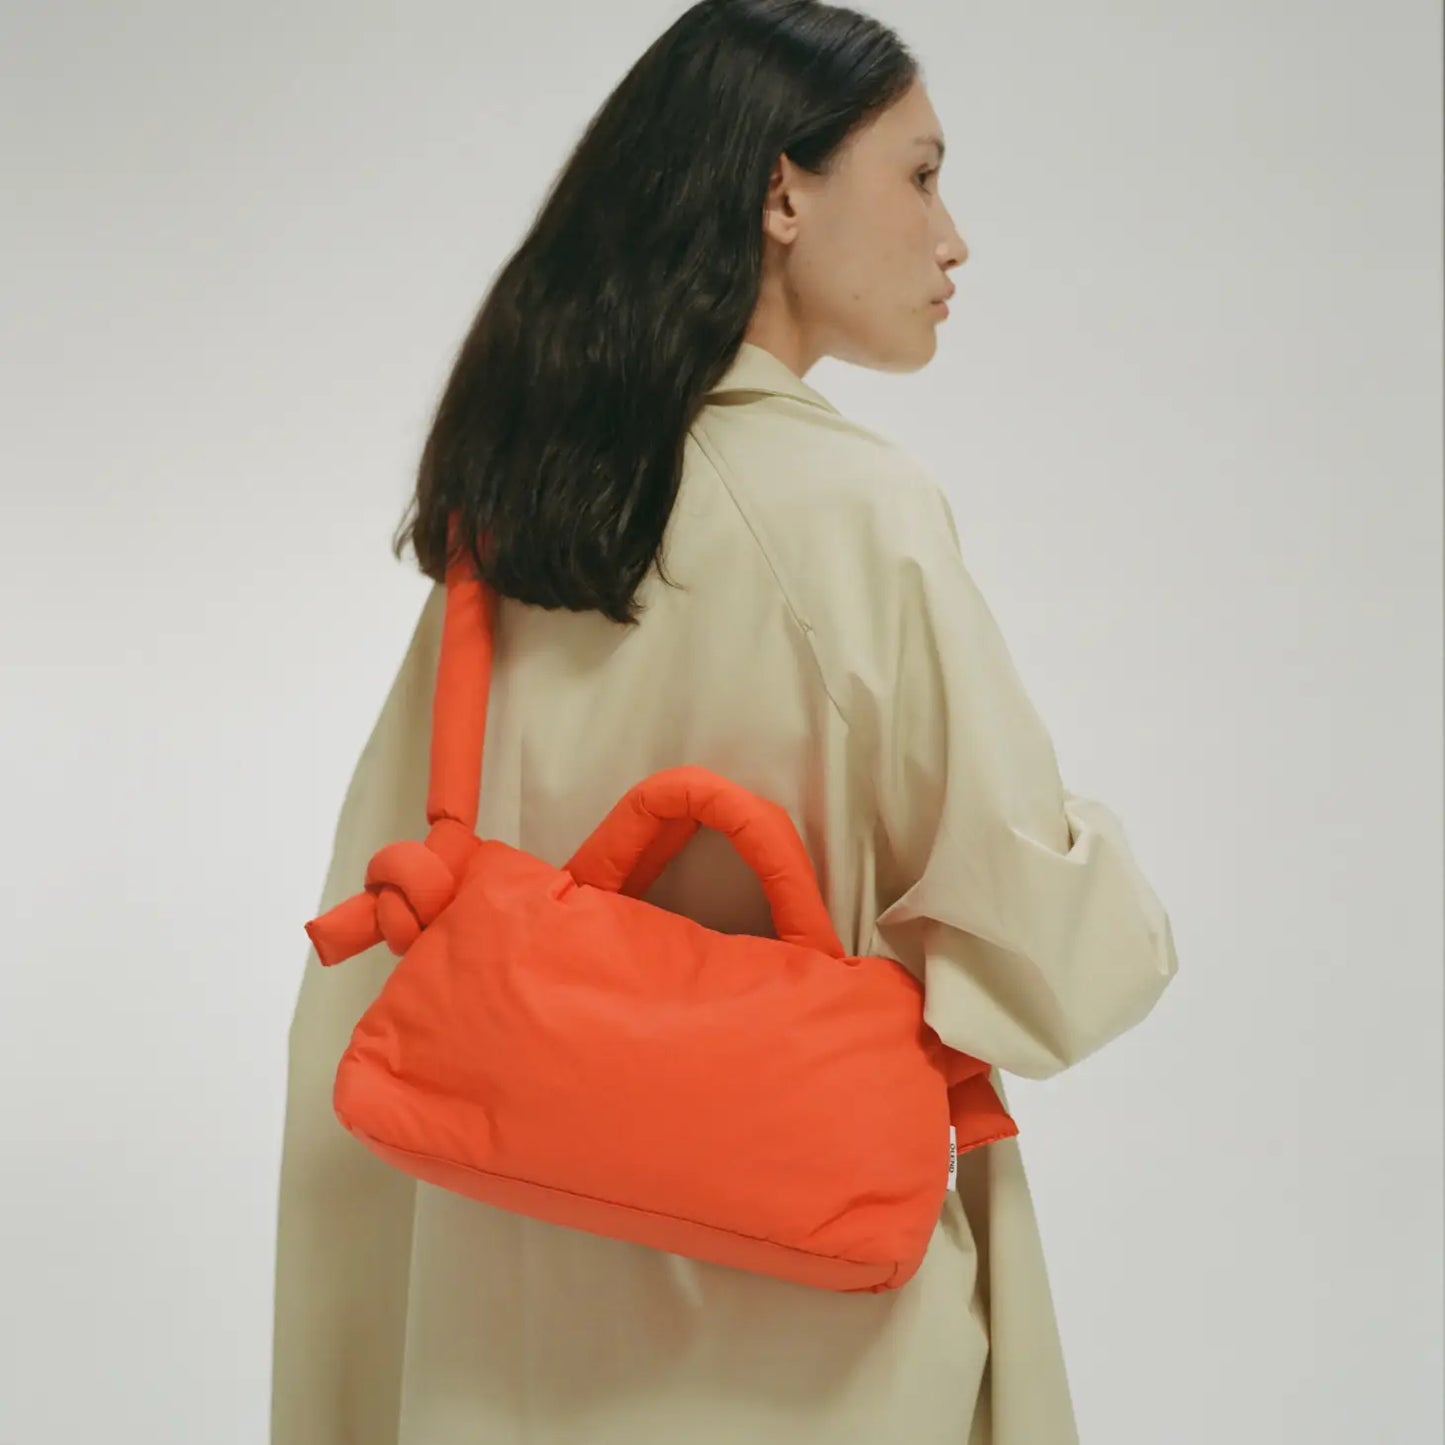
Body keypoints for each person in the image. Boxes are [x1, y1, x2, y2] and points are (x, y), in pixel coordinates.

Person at [269, 2, 1179, 1441]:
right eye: (921, 176)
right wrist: (1110, 880)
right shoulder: (857, 514)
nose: (953, 240)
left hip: (508, 1337)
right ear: (780, 194)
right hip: (807, 1351)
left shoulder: (517, 526)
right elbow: (1043, 958)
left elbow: (367, 980)